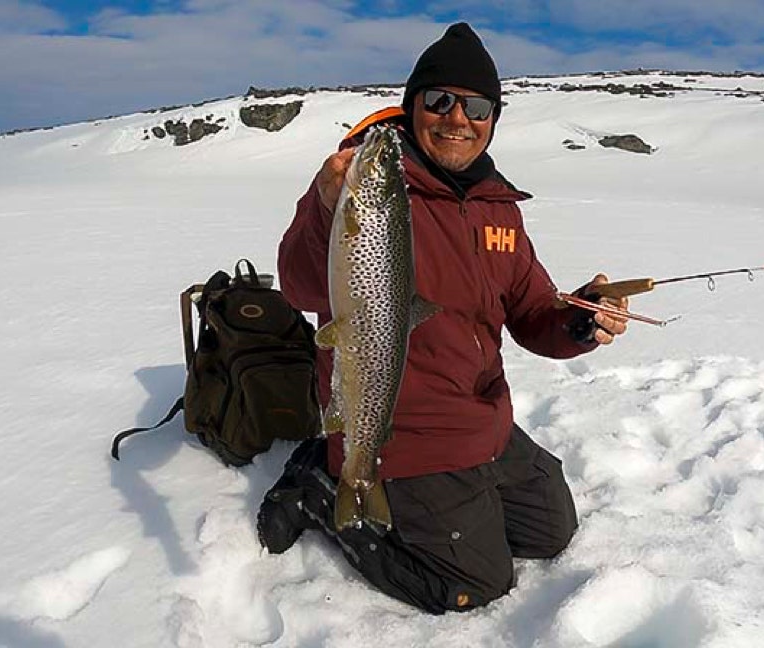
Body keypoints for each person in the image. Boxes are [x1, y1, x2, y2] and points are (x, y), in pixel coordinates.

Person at [258, 22, 629, 614]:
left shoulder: (496, 205)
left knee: (550, 533)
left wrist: (579, 320)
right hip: (405, 432)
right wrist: (326, 207)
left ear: (493, 119)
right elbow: (302, 284)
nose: (458, 118)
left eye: (477, 106)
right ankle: (324, 488)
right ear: (414, 107)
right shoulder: (368, 188)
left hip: (481, 419)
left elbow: (533, 312)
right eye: (439, 101)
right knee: (478, 585)